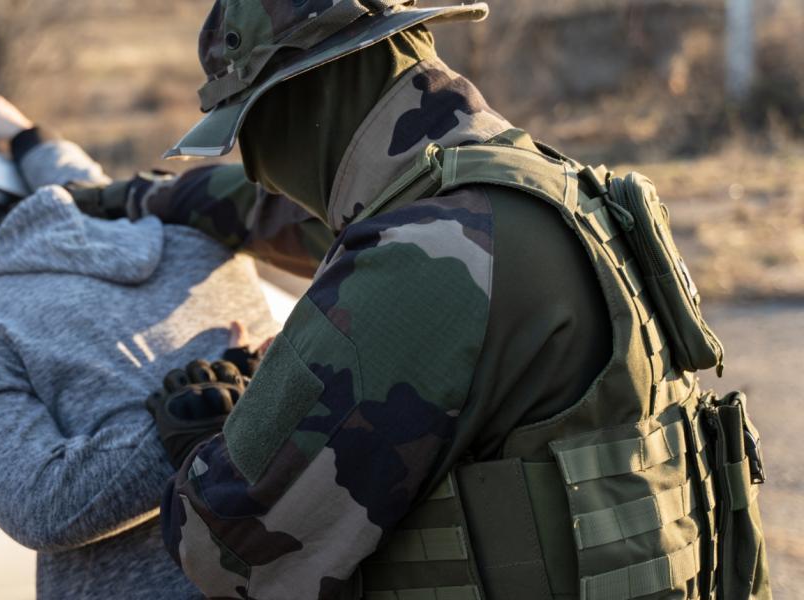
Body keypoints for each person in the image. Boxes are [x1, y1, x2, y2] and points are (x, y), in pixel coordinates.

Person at [81, 2, 771, 599]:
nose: (259, 162)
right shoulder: (535, 183)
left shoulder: (423, 259)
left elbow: (228, 553)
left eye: (248, 128)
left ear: (297, 101)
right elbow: (283, 213)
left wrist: (203, 436)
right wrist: (132, 198)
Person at [0, 92, 282, 599]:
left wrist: (184, 431)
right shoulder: (194, 239)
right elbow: (95, 198)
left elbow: (40, 508)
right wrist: (32, 140)